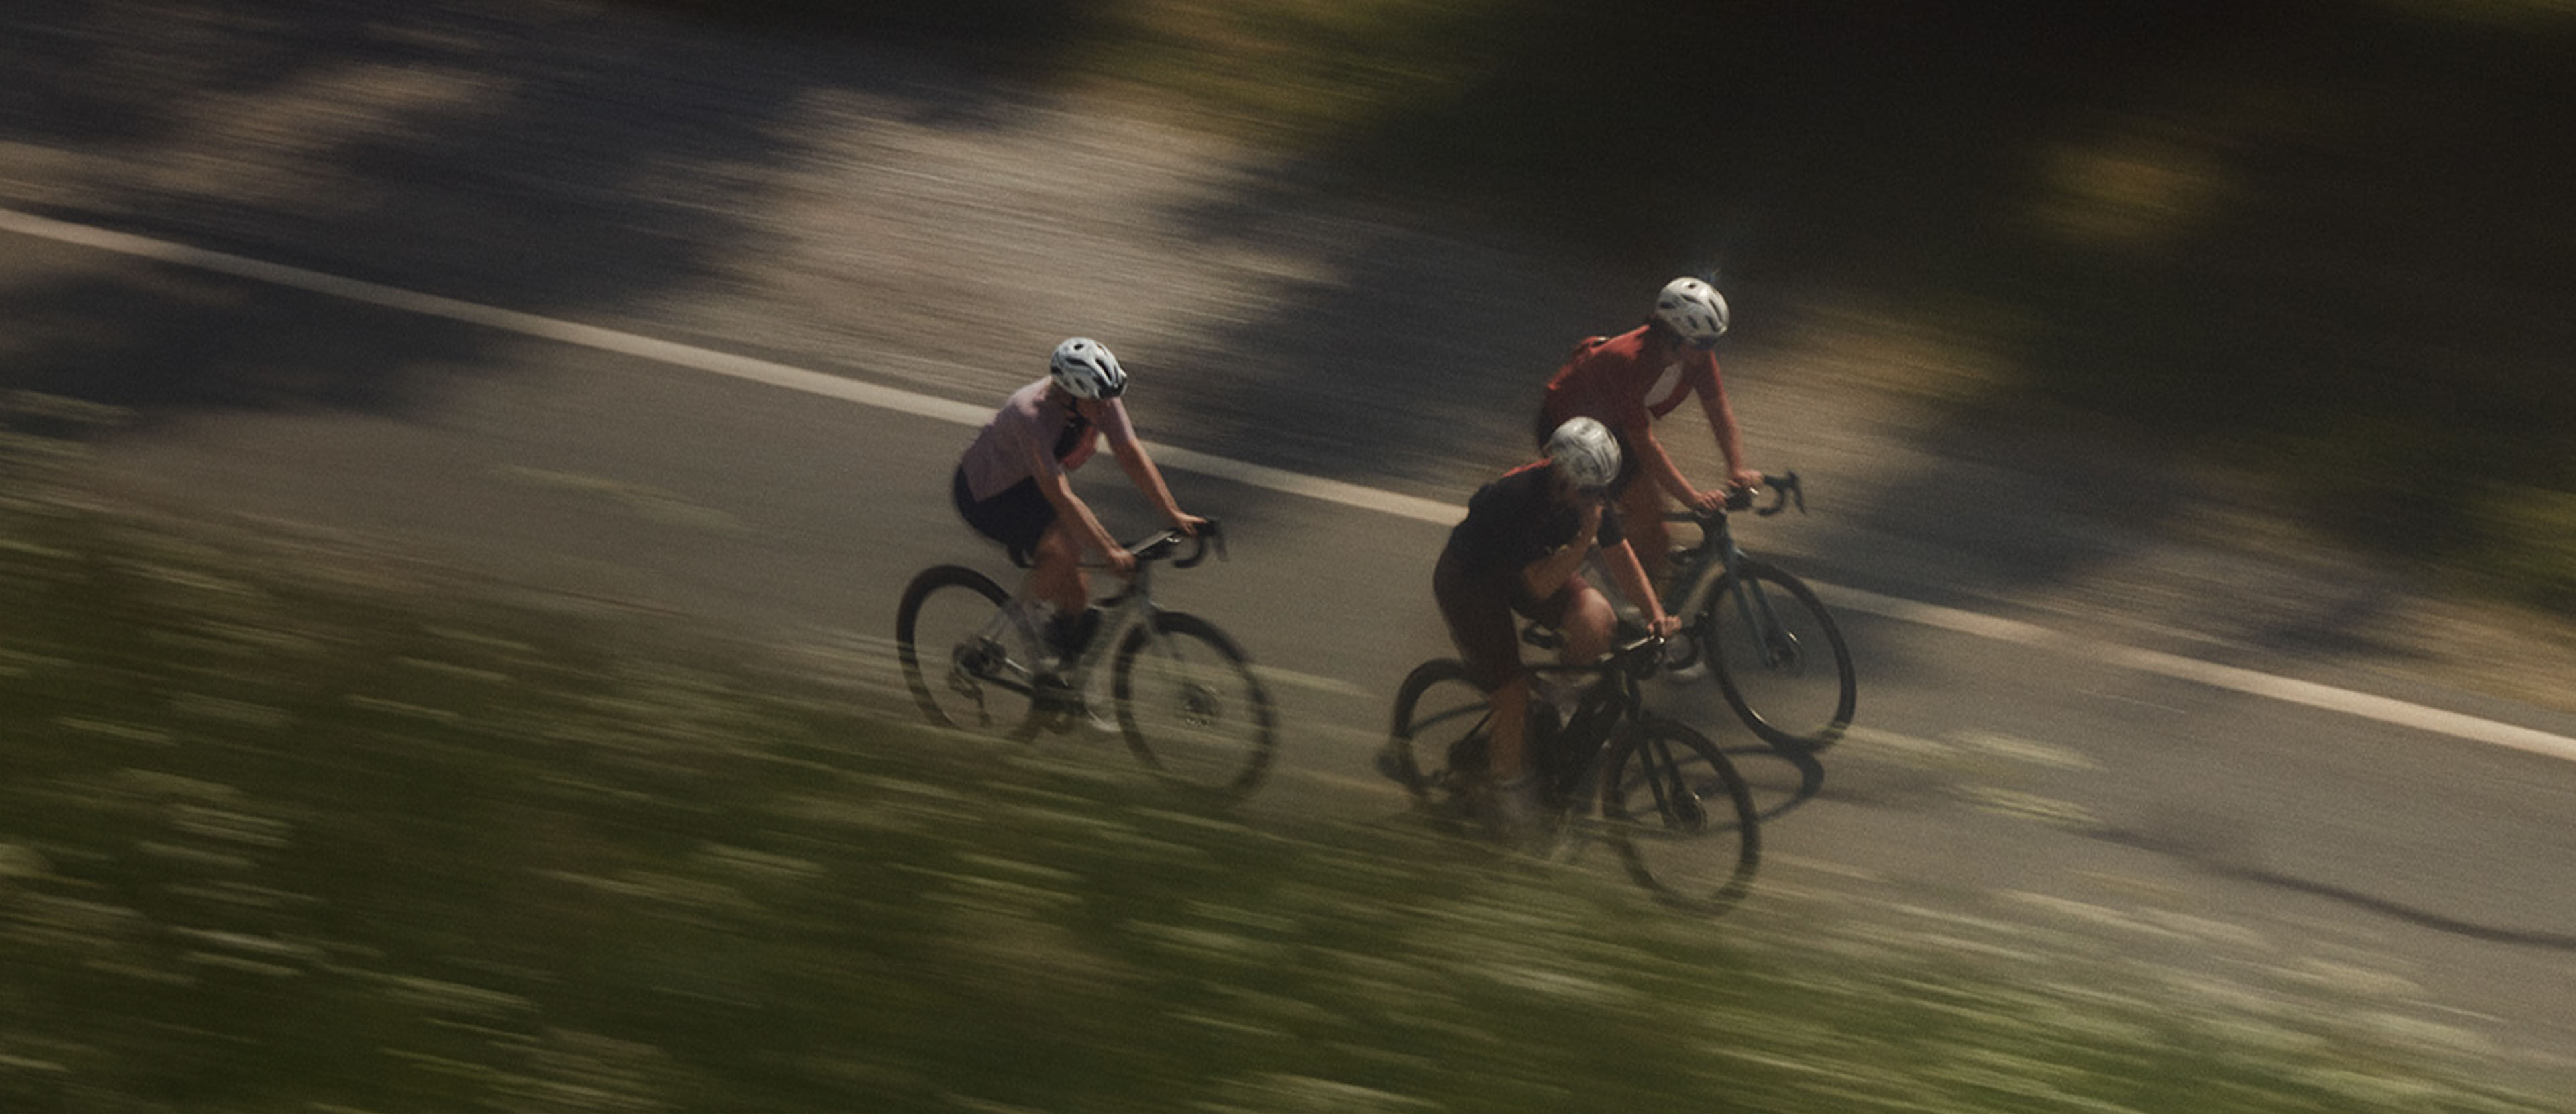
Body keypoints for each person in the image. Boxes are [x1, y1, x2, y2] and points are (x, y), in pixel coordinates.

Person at [1393, 417, 1681, 835]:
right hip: (1471, 582)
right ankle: (1509, 792)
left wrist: (1656, 612)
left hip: (1529, 569)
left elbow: (1620, 555)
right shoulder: (1516, 499)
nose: (1594, 498)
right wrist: (1584, 537)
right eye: (1587, 490)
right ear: (1563, 473)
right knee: (1510, 694)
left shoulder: (1588, 489)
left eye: (1601, 489)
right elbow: (1541, 586)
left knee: (1597, 619)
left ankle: (1553, 713)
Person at [952, 337, 1204, 669]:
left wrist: (1173, 513)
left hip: (1029, 484)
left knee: (1077, 594)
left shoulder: (1099, 395)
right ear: (1069, 396)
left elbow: (1129, 454)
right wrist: (1110, 550)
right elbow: (1060, 495)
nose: (1105, 408)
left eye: (1108, 399)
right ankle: (1003, 636)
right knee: (1066, 551)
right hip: (987, 495)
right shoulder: (1029, 415)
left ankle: (1064, 678)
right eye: (1097, 403)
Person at [1536, 276, 1762, 587]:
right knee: (1648, 511)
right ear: (1672, 334)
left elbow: (1718, 410)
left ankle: (1650, 612)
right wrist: (1692, 498)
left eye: (1713, 342)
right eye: (1703, 343)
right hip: (1567, 429)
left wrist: (1737, 468)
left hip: (1608, 426)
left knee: (1659, 535)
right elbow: (1644, 444)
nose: (1709, 351)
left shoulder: (1696, 354)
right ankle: (1572, 578)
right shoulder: (1629, 360)